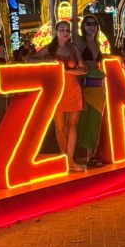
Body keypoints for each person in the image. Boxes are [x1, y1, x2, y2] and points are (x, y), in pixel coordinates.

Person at [34, 20, 86, 172]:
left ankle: (71, 159)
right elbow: (30, 58)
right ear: (56, 32)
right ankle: (65, 159)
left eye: (68, 30)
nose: (65, 32)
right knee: (60, 127)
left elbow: (84, 70)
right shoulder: (50, 49)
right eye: (62, 29)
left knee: (73, 126)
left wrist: (67, 71)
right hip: (57, 90)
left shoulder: (73, 48)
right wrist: (50, 63)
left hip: (73, 89)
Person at [71, 0, 108, 168]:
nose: (92, 27)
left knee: (95, 123)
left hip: (99, 88)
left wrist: (118, 57)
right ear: (83, 26)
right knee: (85, 122)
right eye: (88, 23)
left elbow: (102, 58)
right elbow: (72, 27)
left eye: (94, 24)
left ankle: (92, 155)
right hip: (86, 86)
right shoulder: (80, 41)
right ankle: (86, 156)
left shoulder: (98, 44)